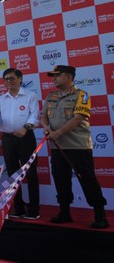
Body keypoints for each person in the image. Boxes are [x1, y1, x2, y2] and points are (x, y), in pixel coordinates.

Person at [41, 65, 110, 229]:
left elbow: (78, 118)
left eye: (57, 76)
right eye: (53, 76)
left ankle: (100, 215)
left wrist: (57, 133)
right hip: (58, 148)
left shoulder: (82, 95)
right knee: (60, 180)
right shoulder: (51, 96)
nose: (54, 79)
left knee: (88, 180)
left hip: (78, 146)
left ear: (68, 77)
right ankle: (64, 213)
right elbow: (43, 116)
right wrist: (46, 128)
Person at [0, 68, 40, 220]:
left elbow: (35, 116)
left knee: (30, 174)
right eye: (6, 79)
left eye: (11, 78)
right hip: (8, 139)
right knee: (12, 175)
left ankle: (34, 209)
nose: (8, 82)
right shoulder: (1, 98)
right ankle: (18, 208)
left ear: (20, 79)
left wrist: (25, 128)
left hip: (26, 138)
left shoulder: (30, 95)